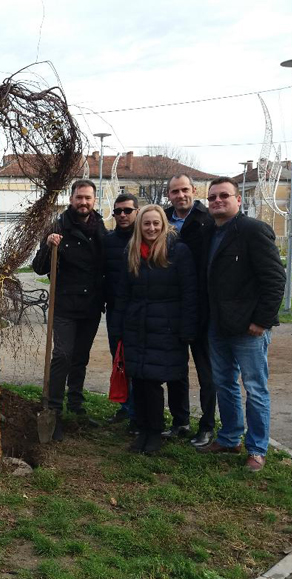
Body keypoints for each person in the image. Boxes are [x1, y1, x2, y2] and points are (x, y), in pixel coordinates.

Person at [198, 177, 285, 472]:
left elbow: (275, 279)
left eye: (224, 195)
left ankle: (257, 449)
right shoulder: (211, 232)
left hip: (249, 328)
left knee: (255, 388)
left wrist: (262, 320)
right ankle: (230, 438)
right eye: (212, 197)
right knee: (224, 383)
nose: (217, 201)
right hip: (218, 325)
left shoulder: (253, 230)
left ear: (238, 200)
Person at [109, 205, 197, 455]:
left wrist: (187, 328)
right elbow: (123, 293)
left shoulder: (178, 251)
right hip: (137, 326)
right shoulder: (132, 251)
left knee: (153, 382)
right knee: (139, 380)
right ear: (140, 226)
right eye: (146, 223)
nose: (151, 228)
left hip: (166, 326)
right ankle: (143, 429)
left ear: (163, 225)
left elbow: (189, 293)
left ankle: (155, 432)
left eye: (156, 223)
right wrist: (117, 328)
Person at [32, 179, 107, 441]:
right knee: (62, 355)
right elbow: (39, 268)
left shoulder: (100, 228)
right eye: (79, 197)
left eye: (88, 198)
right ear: (71, 199)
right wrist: (48, 245)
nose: (83, 202)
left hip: (91, 306)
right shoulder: (58, 226)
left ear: (94, 200)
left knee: (80, 357)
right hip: (64, 304)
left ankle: (76, 403)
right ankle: (54, 410)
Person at [164, 174, 217, 447]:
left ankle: (207, 426)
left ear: (193, 190)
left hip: (202, 306)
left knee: (206, 372)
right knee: (176, 368)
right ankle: (180, 420)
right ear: (169, 195)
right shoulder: (163, 219)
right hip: (172, 307)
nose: (180, 195)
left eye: (184, 189)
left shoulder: (207, 220)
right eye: (175, 191)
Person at [102, 193, 139, 429]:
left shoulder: (146, 237)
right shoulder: (108, 241)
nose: (122, 215)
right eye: (118, 211)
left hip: (140, 310)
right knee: (119, 359)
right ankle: (126, 407)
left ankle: (139, 412)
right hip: (115, 309)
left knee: (137, 361)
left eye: (127, 210)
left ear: (137, 211)